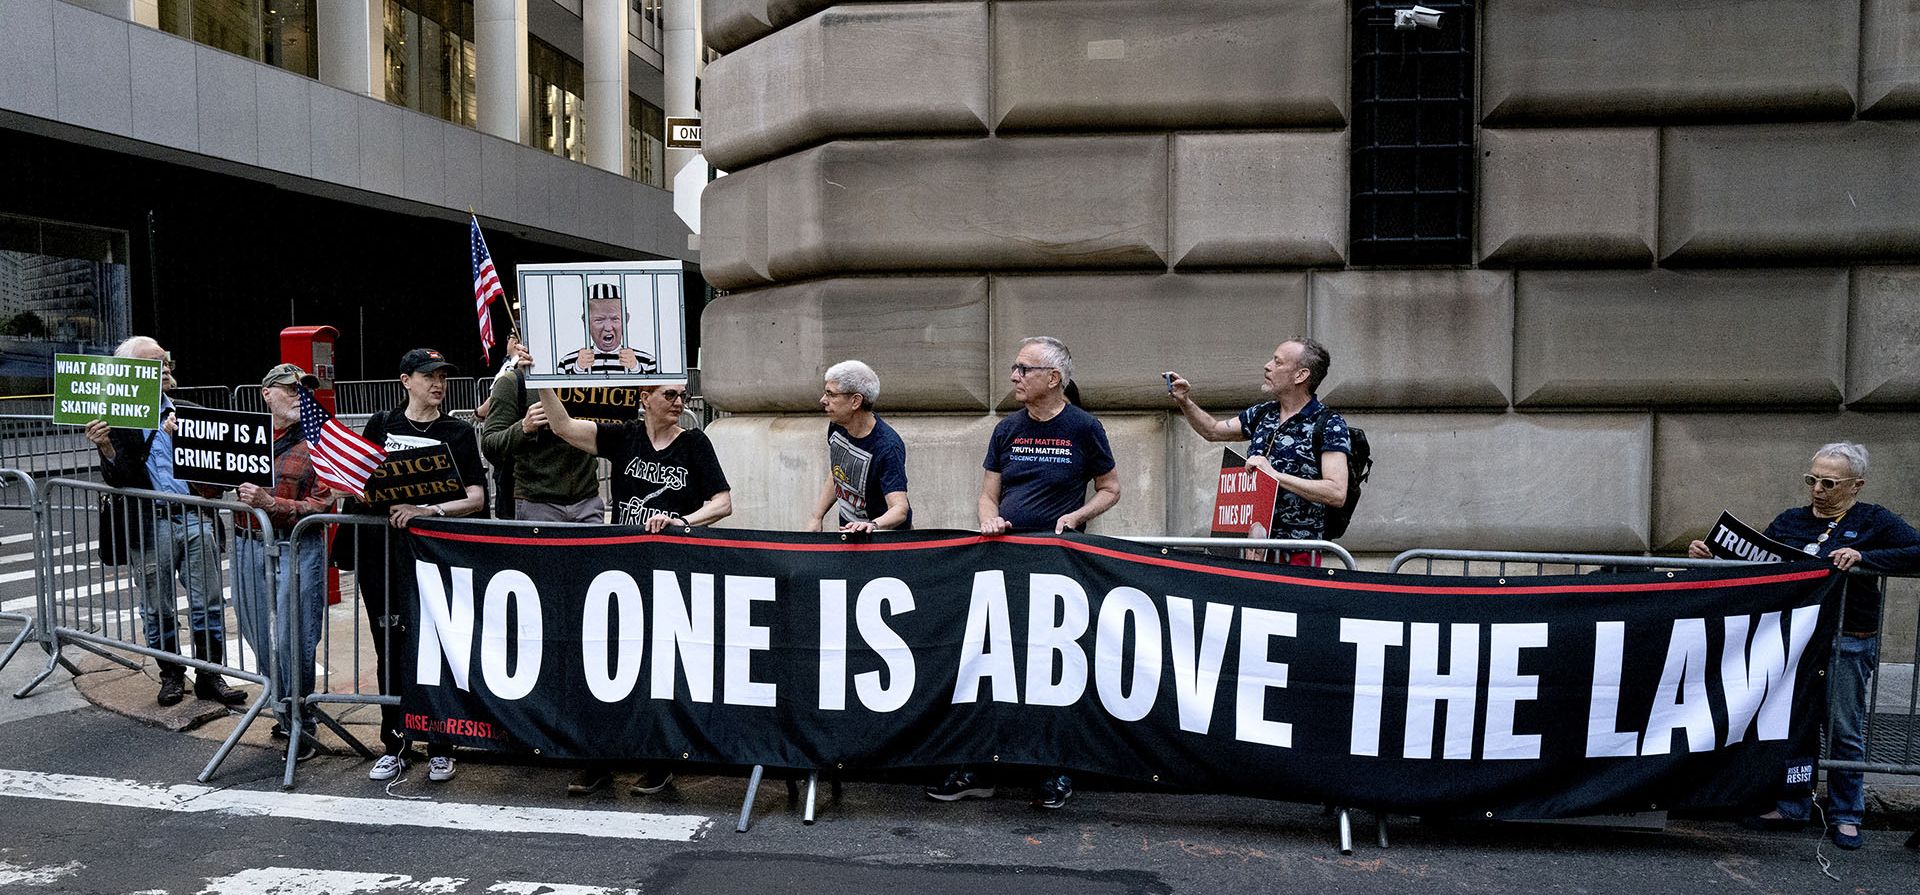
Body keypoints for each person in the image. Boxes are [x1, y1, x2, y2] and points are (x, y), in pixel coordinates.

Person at [1688, 442, 1920, 850]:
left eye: (1829, 482)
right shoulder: (1790, 521)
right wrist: (1712, 558)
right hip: (1792, 641)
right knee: (1793, 726)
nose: (1817, 489)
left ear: (1855, 485)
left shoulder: (1874, 520)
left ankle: (1848, 814)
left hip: (1847, 638)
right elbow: (1757, 567)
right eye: (1812, 479)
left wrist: (1865, 556)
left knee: (1843, 729)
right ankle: (1793, 803)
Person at [930, 336, 1120, 811]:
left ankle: (1053, 770)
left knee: (1053, 670)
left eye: (1023, 369)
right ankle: (979, 768)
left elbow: (1111, 489)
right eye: (1014, 368)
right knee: (991, 665)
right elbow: (987, 493)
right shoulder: (1007, 429)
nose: (1013, 376)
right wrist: (987, 517)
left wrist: (1076, 517)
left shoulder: (1083, 427)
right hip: (1004, 564)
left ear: (1053, 379)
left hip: (1058, 567)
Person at [537, 379, 731, 795]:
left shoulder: (694, 443)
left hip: (670, 572)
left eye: (682, 396)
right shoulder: (625, 437)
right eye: (669, 395)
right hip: (621, 571)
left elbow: (722, 502)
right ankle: (598, 760)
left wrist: (683, 521)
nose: (679, 402)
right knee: (607, 665)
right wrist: (543, 382)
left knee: (660, 668)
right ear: (645, 400)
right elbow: (563, 427)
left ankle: (658, 764)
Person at [84, 336, 245, 708]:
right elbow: (120, 478)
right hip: (149, 525)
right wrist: (105, 448)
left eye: (167, 361)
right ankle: (172, 676)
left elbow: (217, 476)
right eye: (155, 364)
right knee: (158, 607)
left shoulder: (190, 411)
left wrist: (197, 447)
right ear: (131, 374)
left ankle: (209, 676)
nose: (166, 368)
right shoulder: (116, 421)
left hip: (195, 521)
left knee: (208, 603)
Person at [353, 349, 487, 785]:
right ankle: (394, 744)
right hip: (385, 558)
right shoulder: (382, 425)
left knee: (436, 649)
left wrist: (429, 510)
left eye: (443, 376)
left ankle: (440, 745)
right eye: (429, 375)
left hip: (435, 560)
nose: (438, 383)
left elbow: (476, 497)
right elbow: (359, 481)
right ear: (405, 380)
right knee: (388, 650)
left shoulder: (458, 432)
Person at [1165, 338, 1352, 564]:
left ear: (1300, 376)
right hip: (1252, 551)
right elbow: (1212, 430)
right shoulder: (1263, 413)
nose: (1267, 366)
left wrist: (1274, 476)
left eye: (1278, 362)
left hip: (1296, 555)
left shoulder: (1328, 422)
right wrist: (1185, 401)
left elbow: (1336, 492)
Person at [232, 363, 335, 757]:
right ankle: (282, 709)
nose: (298, 395)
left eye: (303, 389)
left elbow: (323, 503)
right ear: (266, 393)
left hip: (297, 547)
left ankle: (301, 722)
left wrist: (271, 504)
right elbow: (205, 486)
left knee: (296, 637)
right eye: (290, 389)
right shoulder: (244, 438)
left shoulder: (319, 440)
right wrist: (183, 449)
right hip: (247, 543)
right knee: (257, 630)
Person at [481, 342, 603, 524]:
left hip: (588, 502)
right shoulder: (512, 383)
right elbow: (490, 445)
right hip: (537, 504)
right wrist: (523, 427)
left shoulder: (593, 380)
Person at [807, 360, 911, 533]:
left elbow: (900, 509)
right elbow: (838, 473)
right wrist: (816, 517)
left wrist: (873, 525)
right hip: (850, 536)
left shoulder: (887, 446)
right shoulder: (837, 425)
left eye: (831, 394)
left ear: (855, 401)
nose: (823, 400)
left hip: (884, 543)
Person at [558, 283, 656, 374]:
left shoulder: (647, 362)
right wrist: (578, 369)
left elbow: (655, 391)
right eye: (599, 320)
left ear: (625, 319)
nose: (608, 328)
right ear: (585, 322)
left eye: (615, 319)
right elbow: (557, 392)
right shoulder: (567, 364)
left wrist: (636, 368)